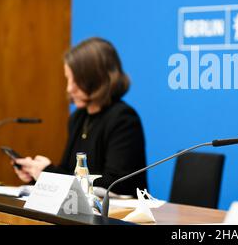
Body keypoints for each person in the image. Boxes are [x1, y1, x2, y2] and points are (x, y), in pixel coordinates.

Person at [13, 37, 147, 196]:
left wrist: (49, 173)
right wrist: (37, 175)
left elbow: (115, 184)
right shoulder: (78, 118)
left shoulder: (123, 119)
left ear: (97, 80)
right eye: (67, 79)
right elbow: (68, 172)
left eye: (75, 80)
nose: (69, 88)